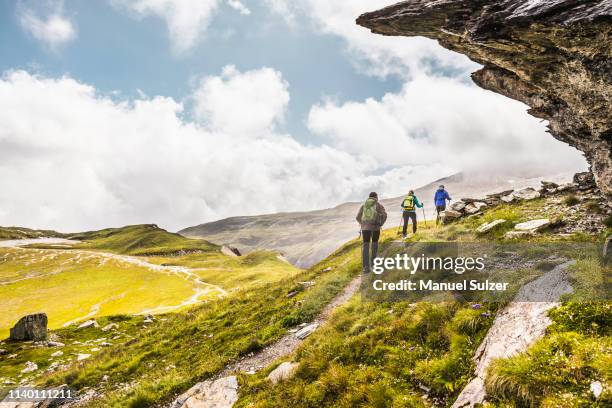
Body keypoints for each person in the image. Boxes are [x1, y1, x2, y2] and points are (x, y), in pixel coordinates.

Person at [356, 192, 387, 273]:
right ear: (376, 197)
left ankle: (366, 267)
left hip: (365, 229)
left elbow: (357, 217)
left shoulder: (364, 205)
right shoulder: (378, 205)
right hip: (375, 228)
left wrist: (363, 224)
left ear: (369, 197)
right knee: (374, 244)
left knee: (365, 246)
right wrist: (381, 224)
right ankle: (373, 263)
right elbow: (385, 215)